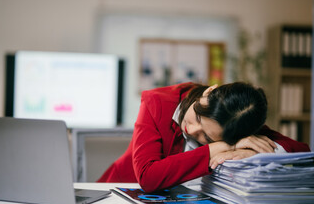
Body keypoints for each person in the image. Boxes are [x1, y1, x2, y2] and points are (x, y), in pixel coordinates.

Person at [97, 82, 310, 192]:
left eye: (206, 136)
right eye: (198, 115)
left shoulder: (234, 118)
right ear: (209, 91)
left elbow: (301, 149)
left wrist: (247, 150)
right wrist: (217, 147)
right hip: (121, 190)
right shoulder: (155, 103)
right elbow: (148, 176)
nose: (191, 130)